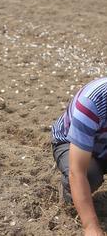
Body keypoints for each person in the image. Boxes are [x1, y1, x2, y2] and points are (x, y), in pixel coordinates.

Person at [51, 77, 107, 236]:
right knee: (91, 175)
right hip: (70, 142)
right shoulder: (92, 102)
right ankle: (68, 193)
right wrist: (91, 227)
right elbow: (78, 171)